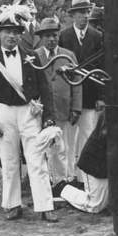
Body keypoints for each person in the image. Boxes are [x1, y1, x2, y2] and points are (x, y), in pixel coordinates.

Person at [0, 4, 58, 222]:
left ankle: (45, 206)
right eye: (7, 32)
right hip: (3, 113)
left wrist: (49, 118)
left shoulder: (32, 56)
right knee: (9, 161)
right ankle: (13, 205)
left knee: (37, 159)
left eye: (15, 32)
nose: (11, 36)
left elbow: (45, 89)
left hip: (29, 112)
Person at [59, 0, 104, 183]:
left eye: (87, 12)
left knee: (87, 137)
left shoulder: (97, 36)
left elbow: (103, 68)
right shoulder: (64, 36)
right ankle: (68, 177)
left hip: (91, 96)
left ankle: (85, 179)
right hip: (70, 95)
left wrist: (102, 96)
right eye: (80, 13)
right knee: (68, 139)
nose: (84, 16)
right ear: (73, 15)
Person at [35, 17, 82, 184]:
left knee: (62, 147)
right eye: (47, 36)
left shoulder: (68, 56)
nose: (51, 39)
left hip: (64, 108)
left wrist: (76, 107)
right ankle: (45, 181)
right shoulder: (35, 56)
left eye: (54, 35)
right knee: (44, 148)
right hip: (42, 111)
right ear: (41, 37)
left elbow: (77, 83)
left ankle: (62, 181)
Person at [53, 111, 110, 214]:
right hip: (96, 164)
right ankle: (62, 188)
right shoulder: (109, 114)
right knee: (95, 206)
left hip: (113, 167)